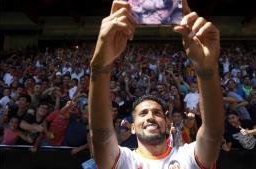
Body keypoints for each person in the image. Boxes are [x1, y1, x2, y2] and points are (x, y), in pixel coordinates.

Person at [89, 0, 224, 168]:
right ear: (131, 128)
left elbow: (213, 134)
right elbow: (100, 136)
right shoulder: (124, 160)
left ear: (168, 124)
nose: (150, 117)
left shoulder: (188, 156)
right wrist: (100, 66)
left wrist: (206, 69)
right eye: (143, 114)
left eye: (157, 113)